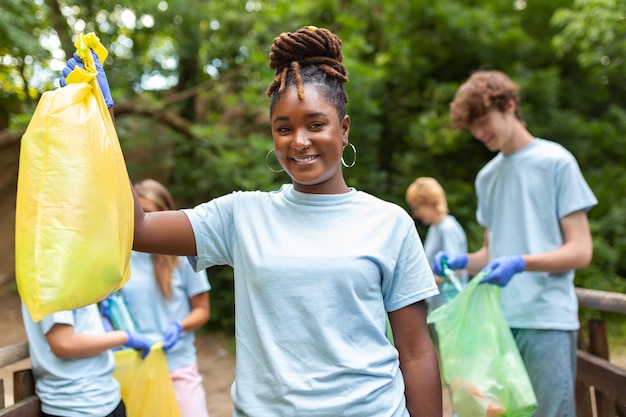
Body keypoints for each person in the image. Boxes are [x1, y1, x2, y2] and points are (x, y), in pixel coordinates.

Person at [60, 26, 443, 416]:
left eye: (315, 124)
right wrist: (99, 118)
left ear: (343, 130)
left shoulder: (389, 223)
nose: (299, 141)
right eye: (284, 128)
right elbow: (137, 228)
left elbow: (415, 353)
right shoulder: (241, 215)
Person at [433, 69, 597, 417]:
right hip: (497, 322)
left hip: (546, 319)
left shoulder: (556, 162)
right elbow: (493, 255)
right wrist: (460, 260)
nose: (478, 133)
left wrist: (522, 262)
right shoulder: (487, 177)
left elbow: (581, 250)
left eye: (482, 121)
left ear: (509, 105)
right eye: (472, 127)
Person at [116, 178, 212, 417]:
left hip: (178, 364)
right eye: (135, 213)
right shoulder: (118, 260)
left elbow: (202, 310)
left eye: (147, 214)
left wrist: (178, 326)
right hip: (135, 364)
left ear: (165, 215)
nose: (139, 223)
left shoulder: (184, 256)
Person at [21, 302, 151, 417]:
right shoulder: (53, 277)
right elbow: (63, 343)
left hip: (104, 397)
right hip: (77, 402)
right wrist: (123, 337)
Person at [405, 176, 468, 314]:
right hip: (439, 307)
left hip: (451, 308)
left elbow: (455, 270)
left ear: (429, 202)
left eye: (417, 208)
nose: (415, 214)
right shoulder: (435, 228)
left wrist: (422, 284)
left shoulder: (447, 228)